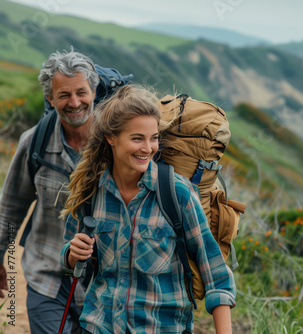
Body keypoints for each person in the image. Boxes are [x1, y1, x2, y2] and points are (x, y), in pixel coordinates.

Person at [60, 85, 236, 334]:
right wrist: (72, 253)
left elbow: (216, 275)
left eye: (153, 138)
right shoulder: (91, 192)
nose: (148, 148)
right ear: (111, 138)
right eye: (137, 138)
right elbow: (67, 257)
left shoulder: (177, 193)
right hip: (99, 326)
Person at [0, 48, 99, 333]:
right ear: (50, 98)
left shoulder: (114, 143)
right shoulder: (34, 143)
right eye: (64, 95)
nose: (75, 102)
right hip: (47, 279)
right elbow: (9, 209)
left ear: (93, 89)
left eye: (81, 92)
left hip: (103, 287)